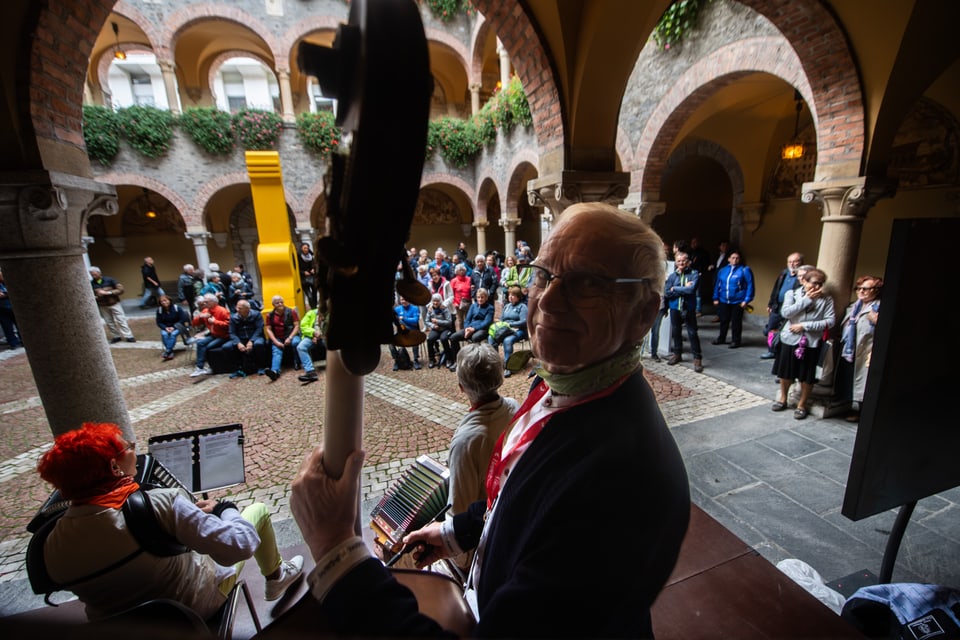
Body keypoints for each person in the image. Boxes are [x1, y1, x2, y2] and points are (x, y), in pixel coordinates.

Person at [289, 202, 690, 638]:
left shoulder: (623, 480)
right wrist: (455, 531)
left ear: (644, 312)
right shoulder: (569, 384)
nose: (550, 300)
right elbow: (524, 500)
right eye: (543, 275)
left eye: (587, 283)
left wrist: (336, 554)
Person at [36, 422, 303, 621]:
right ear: (114, 468)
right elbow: (239, 547)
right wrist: (224, 508)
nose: (132, 448)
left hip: (116, 628)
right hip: (190, 613)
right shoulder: (160, 503)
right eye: (127, 447)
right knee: (256, 510)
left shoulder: (51, 542)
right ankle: (276, 577)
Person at [446, 342, 520, 572]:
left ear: (461, 387)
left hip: (482, 540)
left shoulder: (467, 441)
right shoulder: (514, 407)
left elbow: (458, 508)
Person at [771, 268, 836, 420]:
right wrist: (806, 299)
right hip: (790, 339)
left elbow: (830, 321)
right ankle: (783, 399)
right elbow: (786, 313)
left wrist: (805, 326)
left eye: (820, 284)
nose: (817, 287)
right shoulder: (791, 294)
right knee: (785, 372)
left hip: (811, 342)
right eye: (814, 283)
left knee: (806, 376)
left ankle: (802, 405)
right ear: (804, 281)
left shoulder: (827, 299)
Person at [837, 276, 882, 422]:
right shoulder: (854, 306)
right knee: (850, 379)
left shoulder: (879, 308)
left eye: (866, 289)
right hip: (850, 349)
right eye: (859, 288)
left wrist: (877, 321)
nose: (861, 291)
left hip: (867, 350)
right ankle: (850, 407)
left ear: (876, 291)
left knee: (864, 382)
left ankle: (864, 413)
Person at [663, 252, 703, 372]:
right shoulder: (672, 276)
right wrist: (683, 288)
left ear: (688, 262)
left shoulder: (694, 274)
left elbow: (691, 290)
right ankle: (677, 354)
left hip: (688, 309)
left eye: (683, 261)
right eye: (679, 261)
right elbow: (667, 293)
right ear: (676, 262)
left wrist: (675, 288)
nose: (681, 263)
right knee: (676, 332)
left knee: (692, 334)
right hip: (675, 308)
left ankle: (697, 359)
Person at [761, 252, 803, 359]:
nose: (792, 264)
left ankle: (782, 353)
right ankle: (771, 351)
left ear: (801, 262)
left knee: (786, 330)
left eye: (795, 261)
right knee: (771, 329)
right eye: (789, 261)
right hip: (777, 306)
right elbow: (776, 289)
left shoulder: (802, 276)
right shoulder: (783, 273)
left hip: (791, 308)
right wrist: (770, 304)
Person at [711, 250, 755, 348]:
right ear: (728, 259)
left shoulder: (744, 270)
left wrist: (746, 300)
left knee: (736, 321)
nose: (735, 260)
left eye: (737, 258)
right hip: (723, 300)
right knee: (723, 320)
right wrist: (715, 297)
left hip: (738, 301)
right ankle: (721, 338)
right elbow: (717, 285)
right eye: (733, 258)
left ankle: (736, 341)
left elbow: (750, 285)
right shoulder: (722, 270)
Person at [446, 288, 494, 371]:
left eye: (482, 297)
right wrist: (467, 328)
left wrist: (473, 329)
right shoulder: (473, 305)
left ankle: (474, 362)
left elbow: (486, 322)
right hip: (469, 328)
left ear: (486, 297)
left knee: (475, 338)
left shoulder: (490, 308)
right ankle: (458, 362)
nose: (480, 299)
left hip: (482, 329)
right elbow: (467, 319)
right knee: (453, 337)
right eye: (478, 297)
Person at [488, 285, 527, 377]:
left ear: (518, 297)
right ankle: (495, 363)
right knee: (491, 337)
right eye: (509, 295)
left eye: (513, 295)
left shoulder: (522, 307)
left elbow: (524, 321)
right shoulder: (507, 306)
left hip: (518, 330)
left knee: (507, 340)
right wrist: (500, 324)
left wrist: (510, 324)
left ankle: (508, 366)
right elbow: (502, 319)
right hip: (505, 329)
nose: (510, 297)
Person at [90, 267, 135, 344]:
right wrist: (96, 297)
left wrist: (108, 293)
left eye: (94, 274)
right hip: (102, 305)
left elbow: (121, 290)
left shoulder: (110, 280)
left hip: (114, 303)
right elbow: (90, 294)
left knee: (121, 319)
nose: (93, 276)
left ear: (99, 273)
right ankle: (116, 336)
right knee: (109, 321)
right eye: (92, 275)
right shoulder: (91, 283)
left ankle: (129, 336)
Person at [190, 293, 231, 377]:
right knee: (200, 343)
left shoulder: (222, 311)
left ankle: (213, 367)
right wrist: (200, 317)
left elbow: (229, 325)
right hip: (213, 335)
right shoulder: (206, 311)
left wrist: (215, 322)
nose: (204, 304)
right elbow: (194, 323)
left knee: (208, 346)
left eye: (206, 302)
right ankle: (199, 368)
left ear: (213, 302)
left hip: (223, 335)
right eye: (204, 302)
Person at [646, 241, 674, 362]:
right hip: (648, 302)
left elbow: (668, 288)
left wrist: (666, 306)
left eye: (666, 250)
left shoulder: (668, 266)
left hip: (661, 304)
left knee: (656, 330)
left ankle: (654, 352)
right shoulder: (649, 264)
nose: (664, 252)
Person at [225, 299, 266, 379]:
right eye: (237, 308)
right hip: (241, 338)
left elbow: (259, 329)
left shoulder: (256, 314)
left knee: (259, 344)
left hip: (255, 336)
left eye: (240, 308)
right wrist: (238, 343)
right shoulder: (233, 317)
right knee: (227, 347)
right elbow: (232, 332)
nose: (238, 310)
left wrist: (251, 341)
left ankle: (262, 366)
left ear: (247, 309)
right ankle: (237, 369)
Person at [264, 295, 301, 381]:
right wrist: (275, 342)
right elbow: (268, 329)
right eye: (277, 303)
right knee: (276, 351)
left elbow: (296, 326)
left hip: (291, 335)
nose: (280, 304)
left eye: (281, 302)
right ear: (273, 304)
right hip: (278, 337)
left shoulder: (291, 311)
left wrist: (290, 337)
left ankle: (297, 362)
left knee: (296, 343)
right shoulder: (270, 315)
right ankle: (275, 371)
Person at [389, 296, 422, 370]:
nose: (404, 301)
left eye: (405, 299)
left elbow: (415, 321)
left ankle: (416, 360)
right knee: (390, 342)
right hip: (401, 332)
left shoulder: (415, 308)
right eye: (402, 300)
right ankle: (396, 360)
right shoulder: (397, 309)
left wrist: (404, 318)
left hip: (412, 331)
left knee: (415, 340)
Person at [155, 294, 190, 360]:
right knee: (164, 334)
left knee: (172, 334)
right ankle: (170, 352)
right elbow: (159, 322)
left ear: (169, 300)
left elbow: (183, 319)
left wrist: (174, 327)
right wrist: (165, 328)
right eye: (162, 301)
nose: (164, 302)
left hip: (177, 326)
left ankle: (167, 351)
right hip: (166, 327)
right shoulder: (159, 311)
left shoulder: (177, 308)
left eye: (165, 300)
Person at [424, 293, 454, 368]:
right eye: (434, 301)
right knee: (429, 339)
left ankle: (448, 358)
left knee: (443, 339)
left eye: (437, 301)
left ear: (440, 301)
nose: (435, 303)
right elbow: (427, 321)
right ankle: (432, 359)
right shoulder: (430, 309)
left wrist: (438, 321)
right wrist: (433, 326)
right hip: (436, 329)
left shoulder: (444, 309)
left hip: (445, 329)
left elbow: (449, 321)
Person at [297, 306, 324, 382]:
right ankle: (310, 372)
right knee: (301, 347)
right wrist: (313, 333)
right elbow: (303, 326)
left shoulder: (331, 314)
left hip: (325, 337)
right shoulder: (311, 313)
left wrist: (320, 335)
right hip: (311, 336)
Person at [0, 268, 22, 350]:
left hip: (10, 306)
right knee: (7, 326)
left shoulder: (6, 282)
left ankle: (19, 341)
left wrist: (5, 294)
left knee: (16, 325)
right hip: (3, 308)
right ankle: (14, 343)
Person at [450, 263, 473, 331]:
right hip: (458, 304)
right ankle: (461, 333)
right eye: (460, 270)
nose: (462, 271)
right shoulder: (453, 281)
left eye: (463, 270)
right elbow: (451, 294)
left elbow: (472, 290)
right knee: (460, 320)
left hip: (468, 303)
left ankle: (468, 333)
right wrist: (454, 303)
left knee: (468, 319)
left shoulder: (469, 279)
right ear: (456, 272)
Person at [298, 242, 317, 309]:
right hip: (304, 279)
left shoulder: (311, 256)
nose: (306, 249)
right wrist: (303, 272)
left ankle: (316, 308)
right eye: (305, 248)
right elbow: (297, 268)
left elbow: (314, 265)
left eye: (307, 248)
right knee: (309, 296)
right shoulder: (299, 257)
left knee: (315, 294)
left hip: (312, 277)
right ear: (301, 248)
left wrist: (313, 269)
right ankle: (313, 308)